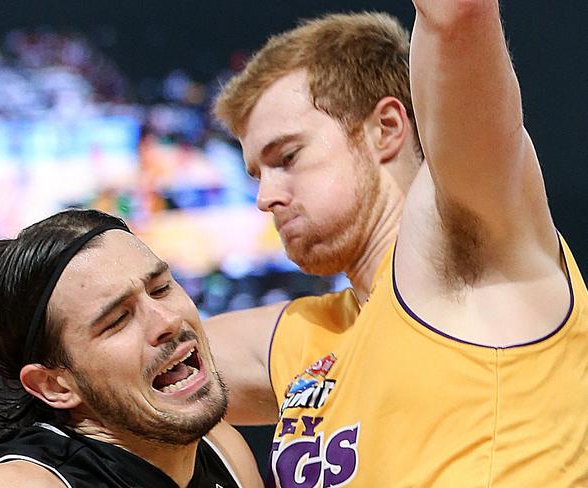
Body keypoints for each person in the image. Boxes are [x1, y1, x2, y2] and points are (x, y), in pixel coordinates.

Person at [208, 4, 588, 487]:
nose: (265, 198)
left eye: (286, 157)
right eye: (257, 175)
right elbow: (121, 362)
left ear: (385, 128)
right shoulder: (309, 337)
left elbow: (458, 17)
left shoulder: (467, 237)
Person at [0, 209, 262, 488]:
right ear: (54, 385)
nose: (168, 321)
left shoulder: (224, 449)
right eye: (118, 320)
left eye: (161, 288)